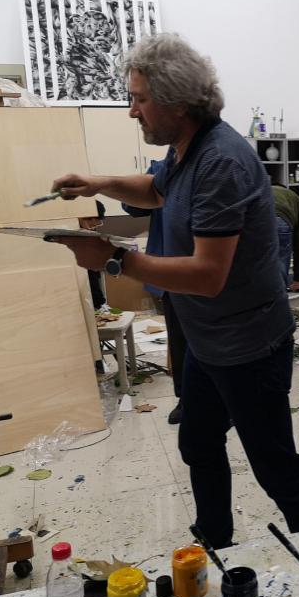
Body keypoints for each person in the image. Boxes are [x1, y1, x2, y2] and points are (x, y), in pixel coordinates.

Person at [50, 32, 299, 562]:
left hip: (247, 345)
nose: (132, 110)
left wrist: (113, 260)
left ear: (177, 101)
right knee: (198, 441)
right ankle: (217, 544)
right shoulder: (186, 148)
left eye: (139, 99)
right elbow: (157, 190)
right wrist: (96, 183)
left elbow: (207, 275)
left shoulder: (220, 161)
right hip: (208, 338)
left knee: (275, 467)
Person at [122, 159, 187, 425]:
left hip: (211, 273)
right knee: (181, 341)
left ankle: (220, 400)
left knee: (213, 341)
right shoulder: (162, 170)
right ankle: (186, 399)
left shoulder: (218, 162)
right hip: (173, 273)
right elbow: (132, 206)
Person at [271, 183, 299, 292]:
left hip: (256, 220)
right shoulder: (294, 198)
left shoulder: (262, 190)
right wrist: (298, 280)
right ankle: (279, 294)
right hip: (280, 220)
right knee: (281, 262)